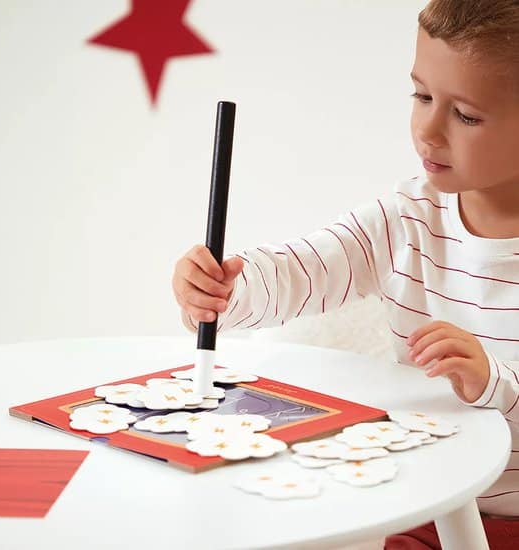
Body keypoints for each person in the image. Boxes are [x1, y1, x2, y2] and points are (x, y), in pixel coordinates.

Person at [172, 0, 519, 547]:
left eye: (466, 115)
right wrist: (225, 289)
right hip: (431, 506)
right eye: (422, 96)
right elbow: (302, 269)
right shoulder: (407, 217)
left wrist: (492, 381)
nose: (428, 130)